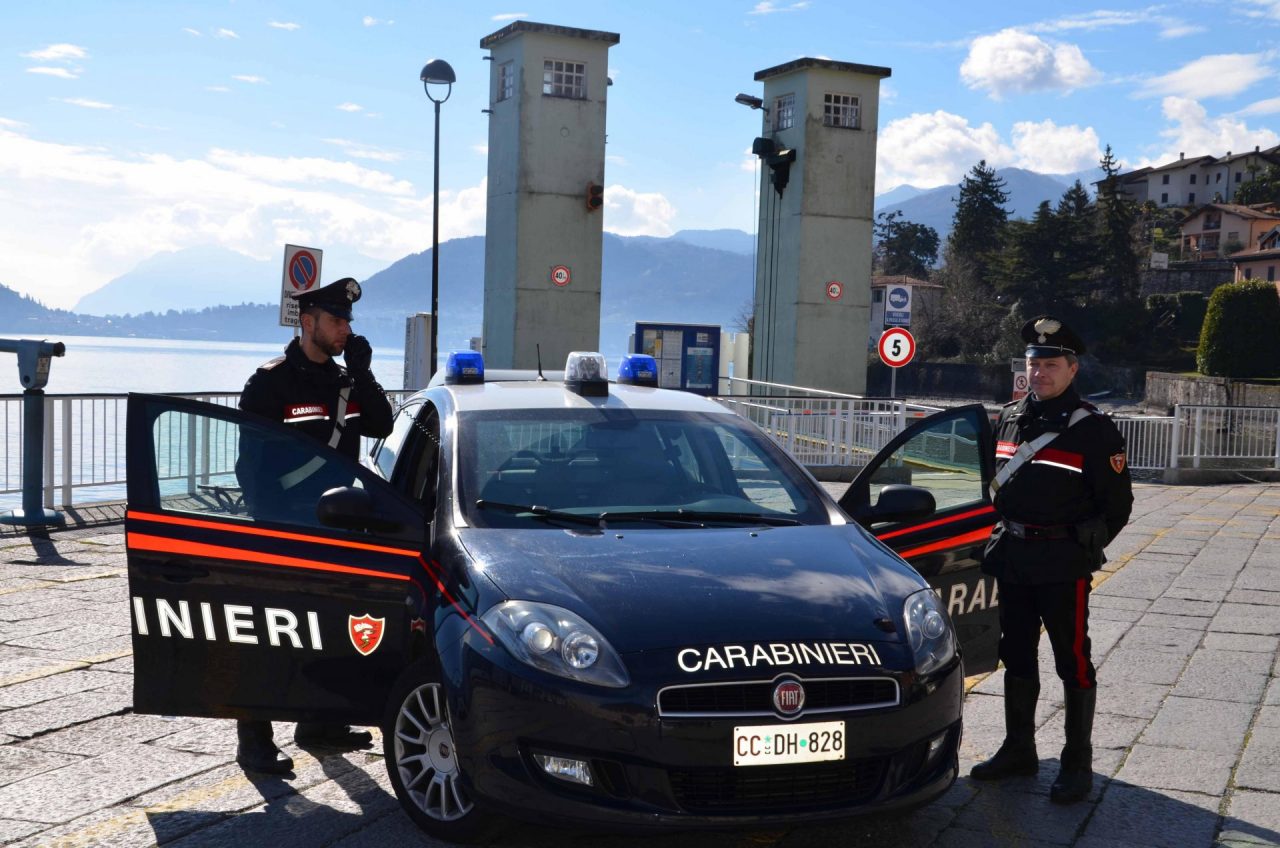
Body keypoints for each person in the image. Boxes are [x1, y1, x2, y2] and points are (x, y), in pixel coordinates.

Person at [233, 276, 395, 775]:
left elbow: (382, 425)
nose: (345, 328)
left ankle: (317, 722)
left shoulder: (342, 380)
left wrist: (363, 374)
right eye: (336, 320)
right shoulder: (271, 382)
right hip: (285, 528)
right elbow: (251, 469)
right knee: (268, 635)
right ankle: (254, 740)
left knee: (327, 631)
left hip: (337, 527)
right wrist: (278, 523)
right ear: (308, 322)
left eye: (348, 321)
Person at [969, 316, 1133, 804]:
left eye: (1050, 364)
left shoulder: (1093, 430)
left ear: (1072, 368)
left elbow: (1118, 505)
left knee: (1072, 659)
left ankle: (1076, 764)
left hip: (1062, 561)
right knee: (1016, 655)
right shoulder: (1011, 417)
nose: (1039, 372)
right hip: (1014, 556)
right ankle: (1019, 750)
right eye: (1032, 363)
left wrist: (1085, 546)